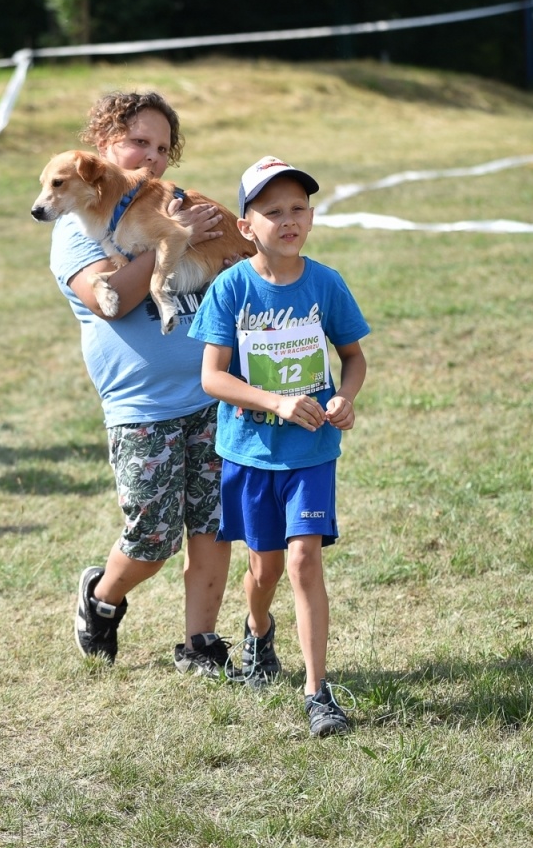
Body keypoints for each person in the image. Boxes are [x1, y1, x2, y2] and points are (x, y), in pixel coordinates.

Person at [54, 90, 236, 674]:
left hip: (212, 391)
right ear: (102, 148)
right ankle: (103, 598)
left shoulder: (166, 206)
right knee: (154, 536)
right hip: (141, 405)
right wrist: (174, 234)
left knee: (214, 523)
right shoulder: (78, 226)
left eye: (162, 147)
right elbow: (112, 300)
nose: (151, 157)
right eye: (138, 142)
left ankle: (201, 643)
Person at [190, 157, 369, 738]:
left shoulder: (326, 284)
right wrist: (276, 401)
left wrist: (343, 398)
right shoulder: (231, 287)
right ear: (247, 227)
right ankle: (259, 632)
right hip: (249, 451)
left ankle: (319, 693)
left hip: (311, 454)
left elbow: (354, 357)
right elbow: (212, 379)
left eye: (297, 209)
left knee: (302, 560)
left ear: (311, 217)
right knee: (263, 569)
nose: (287, 220)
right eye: (272, 212)